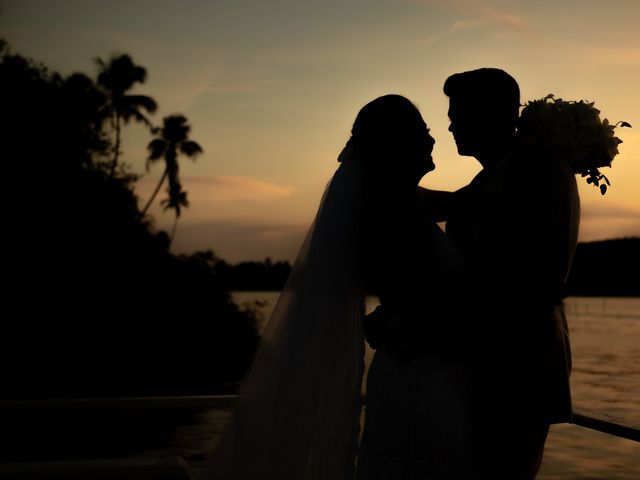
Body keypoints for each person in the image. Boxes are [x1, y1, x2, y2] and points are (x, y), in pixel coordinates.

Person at [204, 94, 471, 479]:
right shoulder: (398, 211)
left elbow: (464, 203)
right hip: (422, 378)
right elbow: (425, 308)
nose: (432, 142)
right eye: (423, 132)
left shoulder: (396, 204)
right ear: (396, 145)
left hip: (417, 372)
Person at [442, 68, 580, 479]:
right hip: (482, 367)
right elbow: (449, 208)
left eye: (458, 112)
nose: (450, 124)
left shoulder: (545, 173)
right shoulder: (487, 178)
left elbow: (541, 279)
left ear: (493, 114)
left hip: (521, 367)